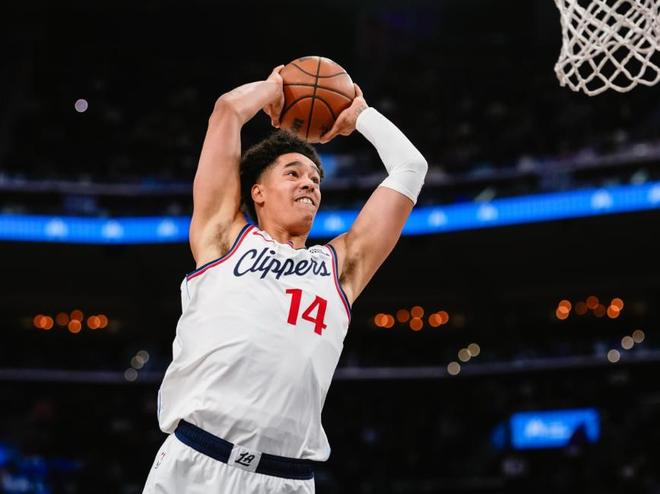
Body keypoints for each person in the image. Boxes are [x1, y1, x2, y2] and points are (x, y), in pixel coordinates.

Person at [142, 65, 428, 493]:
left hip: (286, 480)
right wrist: (275, 88)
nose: (309, 184)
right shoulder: (224, 237)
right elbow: (227, 111)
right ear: (257, 192)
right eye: (293, 173)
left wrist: (360, 116)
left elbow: (410, 167)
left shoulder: (341, 267)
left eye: (315, 179)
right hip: (195, 464)